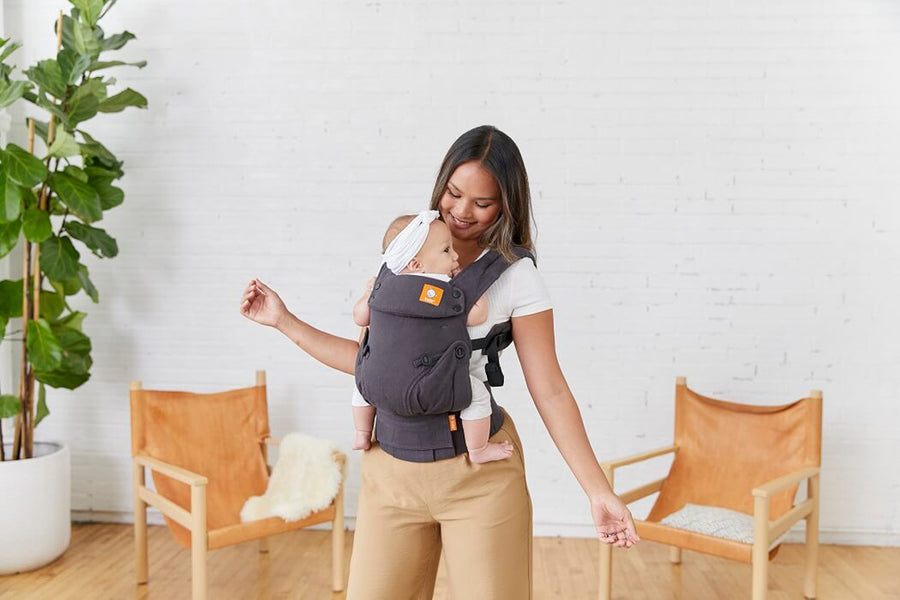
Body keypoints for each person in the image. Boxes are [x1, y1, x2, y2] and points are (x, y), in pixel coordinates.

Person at [240, 125, 639, 599]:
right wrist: (283, 320)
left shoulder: (516, 276)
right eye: (454, 193)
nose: (462, 212)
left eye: (483, 203)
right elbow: (370, 366)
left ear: (505, 205)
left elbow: (549, 388)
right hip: (390, 472)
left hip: (478, 477)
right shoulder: (402, 257)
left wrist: (597, 491)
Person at [349, 209, 514, 464]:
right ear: (416, 264)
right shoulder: (440, 291)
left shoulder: (382, 286)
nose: (456, 255)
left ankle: (361, 432)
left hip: (377, 384)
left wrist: (367, 293)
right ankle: (479, 449)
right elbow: (478, 316)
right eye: (447, 250)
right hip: (426, 388)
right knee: (478, 394)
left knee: (361, 386)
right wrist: (468, 287)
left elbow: (360, 317)